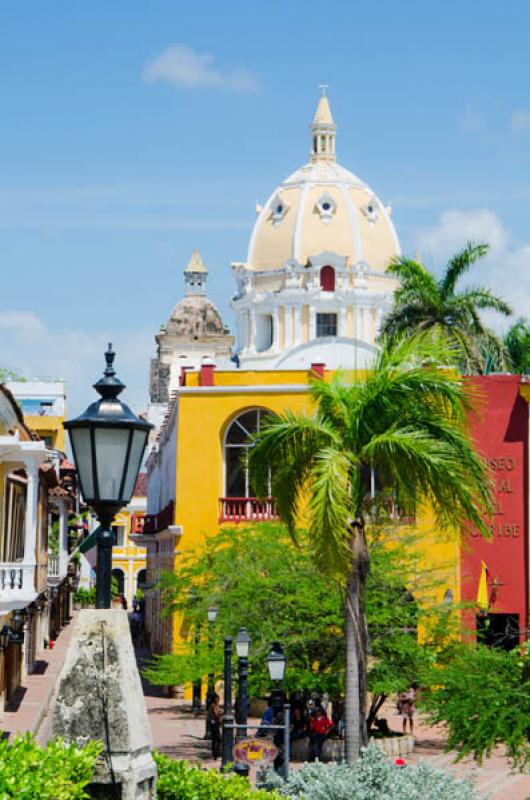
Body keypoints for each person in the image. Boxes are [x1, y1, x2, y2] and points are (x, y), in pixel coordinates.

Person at [206, 693, 223, 759]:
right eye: (217, 698)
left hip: (214, 723)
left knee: (215, 739)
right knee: (217, 739)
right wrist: (223, 712)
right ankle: (216, 753)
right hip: (214, 724)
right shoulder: (213, 706)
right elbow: (216, 713)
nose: (218, 700)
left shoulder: (214, 705)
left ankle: (215, 752)